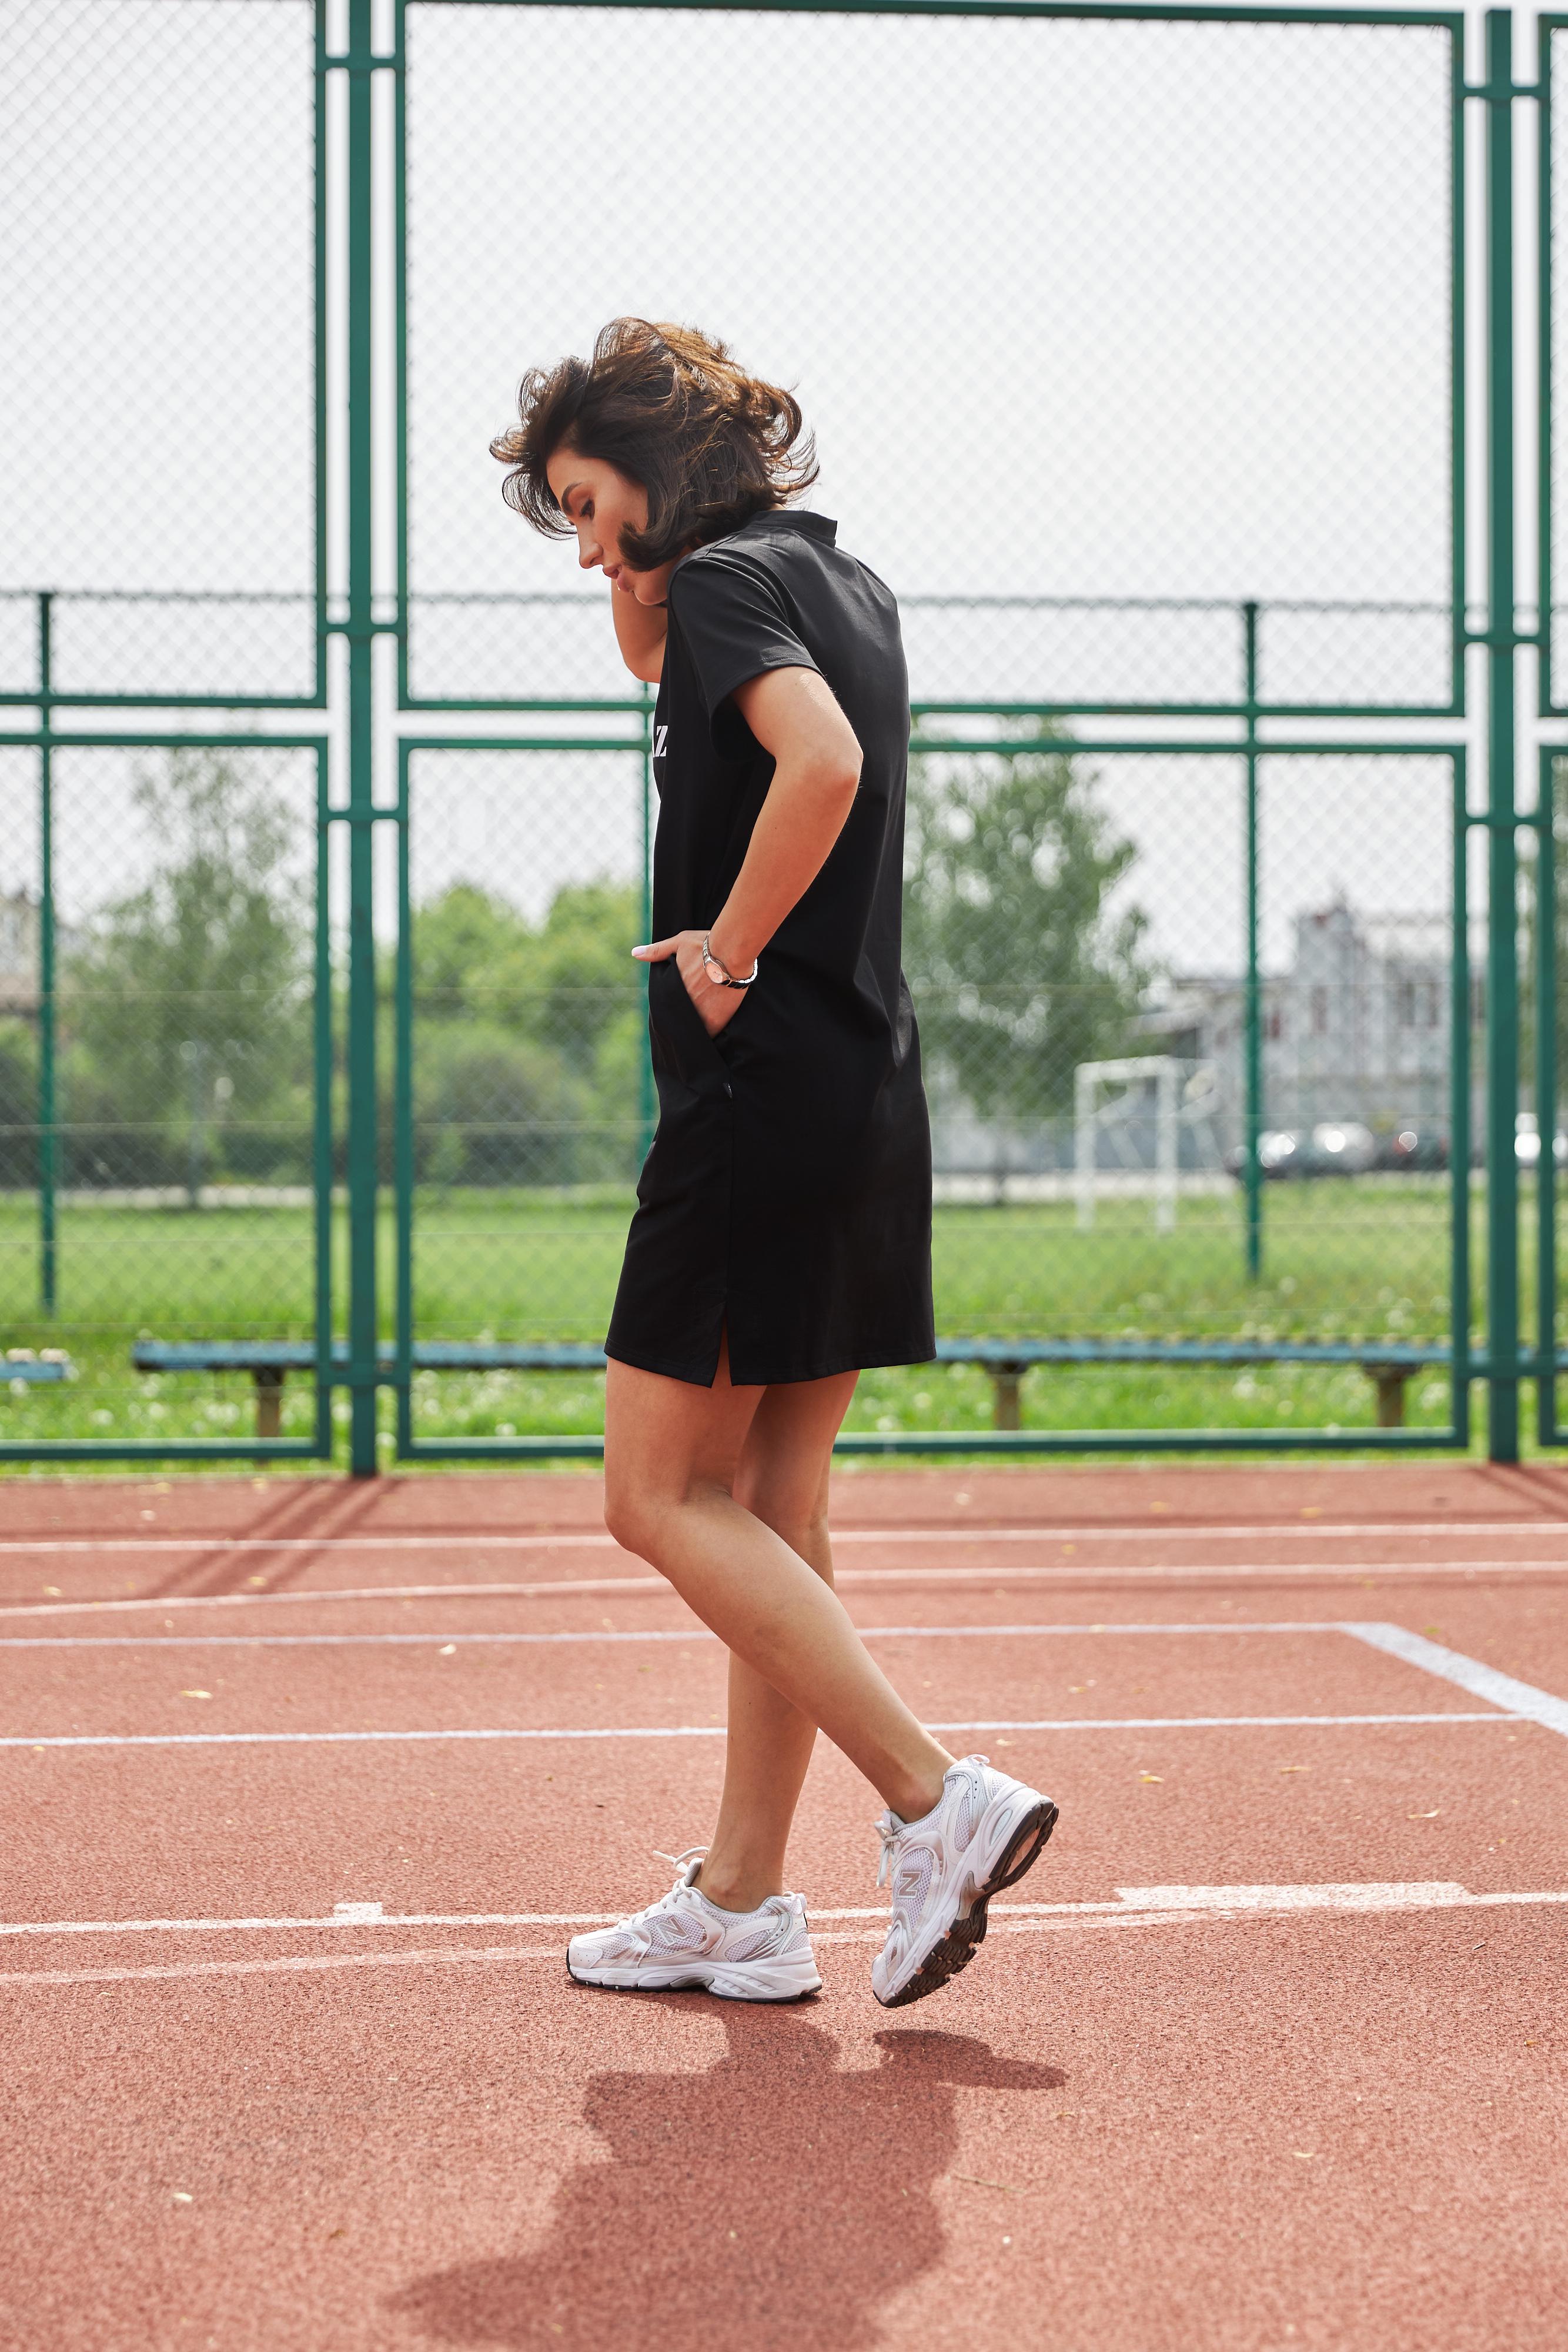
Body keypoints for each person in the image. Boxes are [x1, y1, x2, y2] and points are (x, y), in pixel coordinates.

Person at [490, 319, 1057, 2006]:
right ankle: (742, 1899)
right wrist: (633, 566)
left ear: (659, 473)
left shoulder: (728, 583)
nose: (588, 549)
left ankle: (930, 1799)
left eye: (589, 506)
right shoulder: (835, 581)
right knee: (773, 1511)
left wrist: (727, 947)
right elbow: (678, 683)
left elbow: (819, 765)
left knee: (651, 1497)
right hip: (865, 1095)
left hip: (755, 1098)